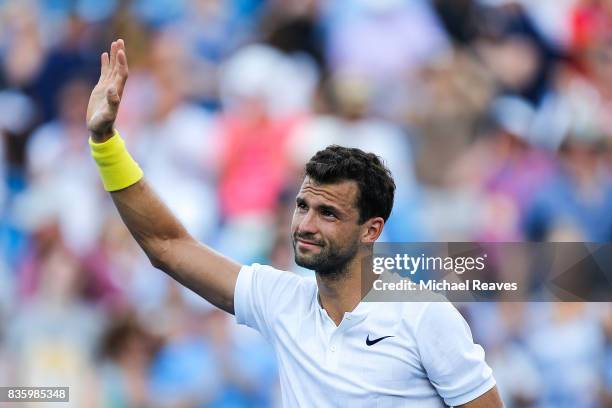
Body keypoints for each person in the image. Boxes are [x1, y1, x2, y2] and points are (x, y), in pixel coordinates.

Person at [86, 39, 503, 408]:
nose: (305, 224)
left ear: (371, 231)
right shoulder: (281, 300)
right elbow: (167, 246)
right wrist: (106, 144)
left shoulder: (424, 316)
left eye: (328, 214)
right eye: (302, 206)